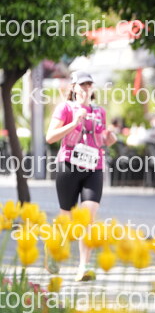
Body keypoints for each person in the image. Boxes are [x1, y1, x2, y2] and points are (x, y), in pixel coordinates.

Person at [46, 71, 117, 281]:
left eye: (89, 85)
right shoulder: (65, 108)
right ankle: (54, 253)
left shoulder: (99, 111)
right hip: (69, 165)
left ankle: (83, 267)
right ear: (74, 87)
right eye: (82, 85)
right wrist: (74, 123)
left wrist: (109, 138)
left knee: (88, 217)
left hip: (94, 167)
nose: (86, 89)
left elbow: (101, 140)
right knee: (66, 217)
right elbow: (50, 137)